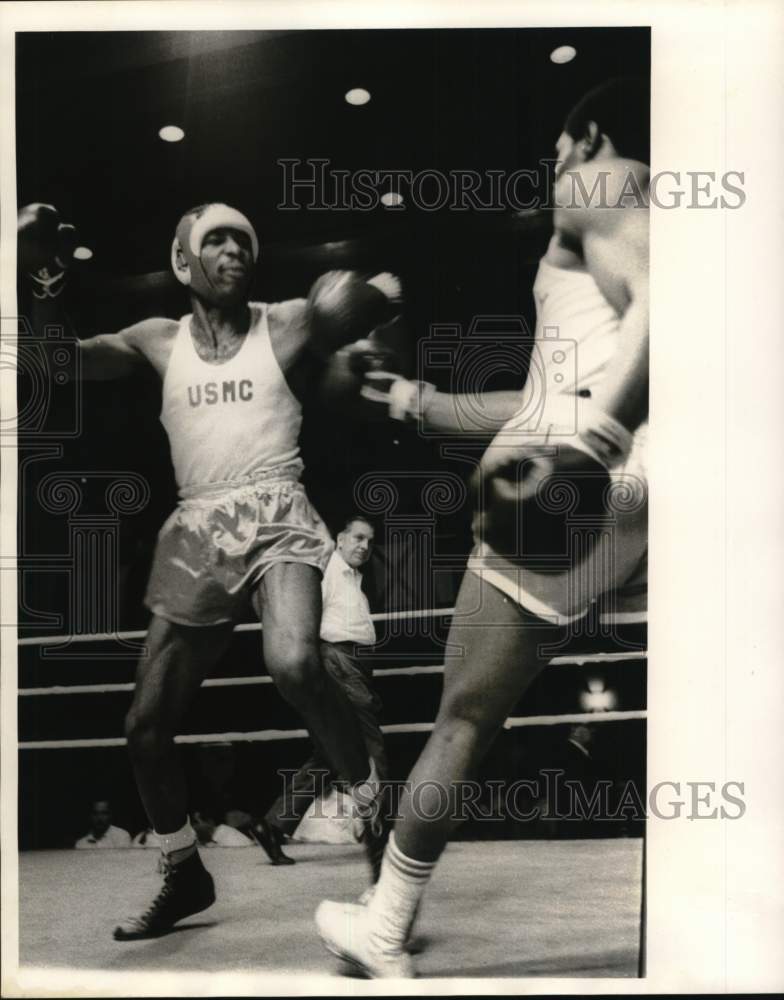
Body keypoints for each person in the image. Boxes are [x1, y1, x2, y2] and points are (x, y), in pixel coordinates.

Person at [316, 77, 649, 977]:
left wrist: (592, 446)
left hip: (581, 474)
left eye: (557, 147)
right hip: (659, 490)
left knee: (463, 718)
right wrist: (425, 401)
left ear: (589, 134)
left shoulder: (605, 179)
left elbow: (656, 328)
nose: (553, 167)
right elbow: (561, 385)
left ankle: (382, 931)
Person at [18, 201, 401, 939]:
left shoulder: (286, 322)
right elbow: (56, 362)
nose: (234, 251)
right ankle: (183, 872)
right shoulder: (156, 341)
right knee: (144, 727)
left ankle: (371, 807)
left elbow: (362, 318)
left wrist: (379, 298)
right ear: (183, 261)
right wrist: (44, 279)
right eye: (216, 240)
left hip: (279, 509)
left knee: (293, 662)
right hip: (198, 526)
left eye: (243, 241)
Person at [261, 515, 387, 861]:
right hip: (339, 660)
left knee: (329, 755)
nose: (364, 546)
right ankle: (383, 834)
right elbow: (307, 621)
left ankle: (273, 825)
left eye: (370, 541)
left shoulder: (351, 577)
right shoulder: (329, 569)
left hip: (351, 661)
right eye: (358, 538)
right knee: (369, 744)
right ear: (340, 538)